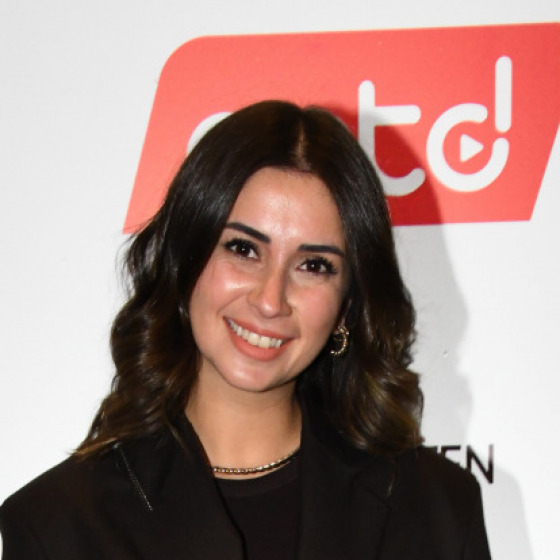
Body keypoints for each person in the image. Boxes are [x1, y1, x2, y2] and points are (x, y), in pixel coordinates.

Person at [0, 101, 491, 559]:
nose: (270, 299)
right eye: (243, 249)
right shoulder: (58, 528)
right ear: (185, 260)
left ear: (347, 304)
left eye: (314, 265)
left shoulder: (435, 510)